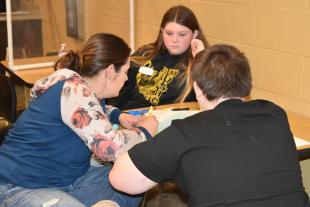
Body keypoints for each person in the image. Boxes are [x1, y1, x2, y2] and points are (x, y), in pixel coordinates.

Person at [109, 44, 310, 207]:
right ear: (247, 84)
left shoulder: (186, 132)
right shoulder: (274, 114)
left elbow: (120, 179)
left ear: (197, 88)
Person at [0, 33, 158, 207]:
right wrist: (144, 130)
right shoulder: (75, 89)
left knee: (134, 180)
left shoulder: (85, 88)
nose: (127, 79)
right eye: (126, 72)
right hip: (19, 186)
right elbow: (110, 148)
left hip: (66, 179)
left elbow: (94, 108)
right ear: (111, 71)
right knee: (128, 181)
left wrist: (118, 116)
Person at [107, 5, 209, 110]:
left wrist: (201, 57)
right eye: (169, 33)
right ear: (161, 31)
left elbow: (210, 101)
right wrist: (113, 114)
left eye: (182, 34)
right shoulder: (145, 53)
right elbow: (115, 89)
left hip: (165, 121)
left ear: (194, 34)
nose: (174, 40)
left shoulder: (199, 65)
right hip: (125, 116)